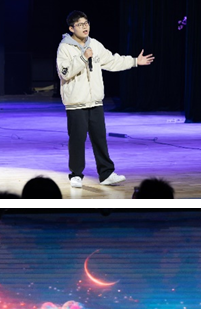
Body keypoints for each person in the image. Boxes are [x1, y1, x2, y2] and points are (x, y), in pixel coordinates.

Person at [57, 10, 154, 191]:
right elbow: (65, 72)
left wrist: (134, 61)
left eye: (86, 23)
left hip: (95, 102)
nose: (85, 27)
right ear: (71, 28)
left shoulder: (94, 44)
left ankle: (106, 173)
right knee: (77, 140)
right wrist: (83, 58)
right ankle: (76, 174)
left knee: (100, 139)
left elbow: (112, 61)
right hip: (76, 103)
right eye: (80, 24)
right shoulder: (65, 48)